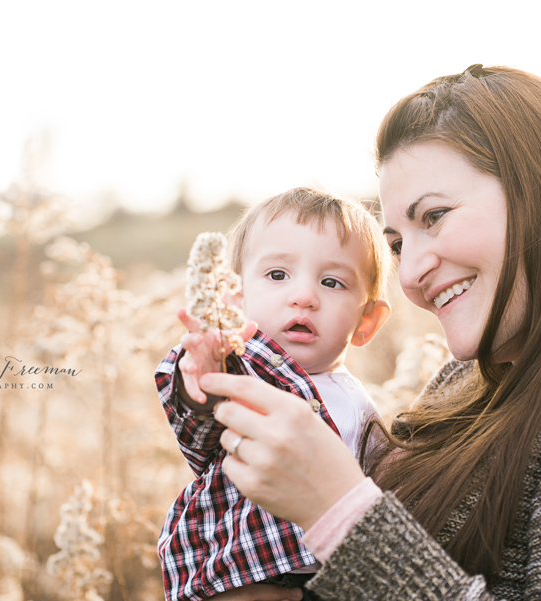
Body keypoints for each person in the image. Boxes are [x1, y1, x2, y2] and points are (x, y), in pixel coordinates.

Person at [199, 64, 541, 600]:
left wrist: (340, 513)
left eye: (434, 216)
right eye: (396, 244)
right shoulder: (465, 380)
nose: (412, 273)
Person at [156, 188, 392, 600]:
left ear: (366, 322)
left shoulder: (358, 404)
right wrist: (203, 378)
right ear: (236, 299)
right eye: (278, 275)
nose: (303, 296)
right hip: (239, 571)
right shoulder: (246, 364)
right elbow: (198, 429)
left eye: (332, 282)